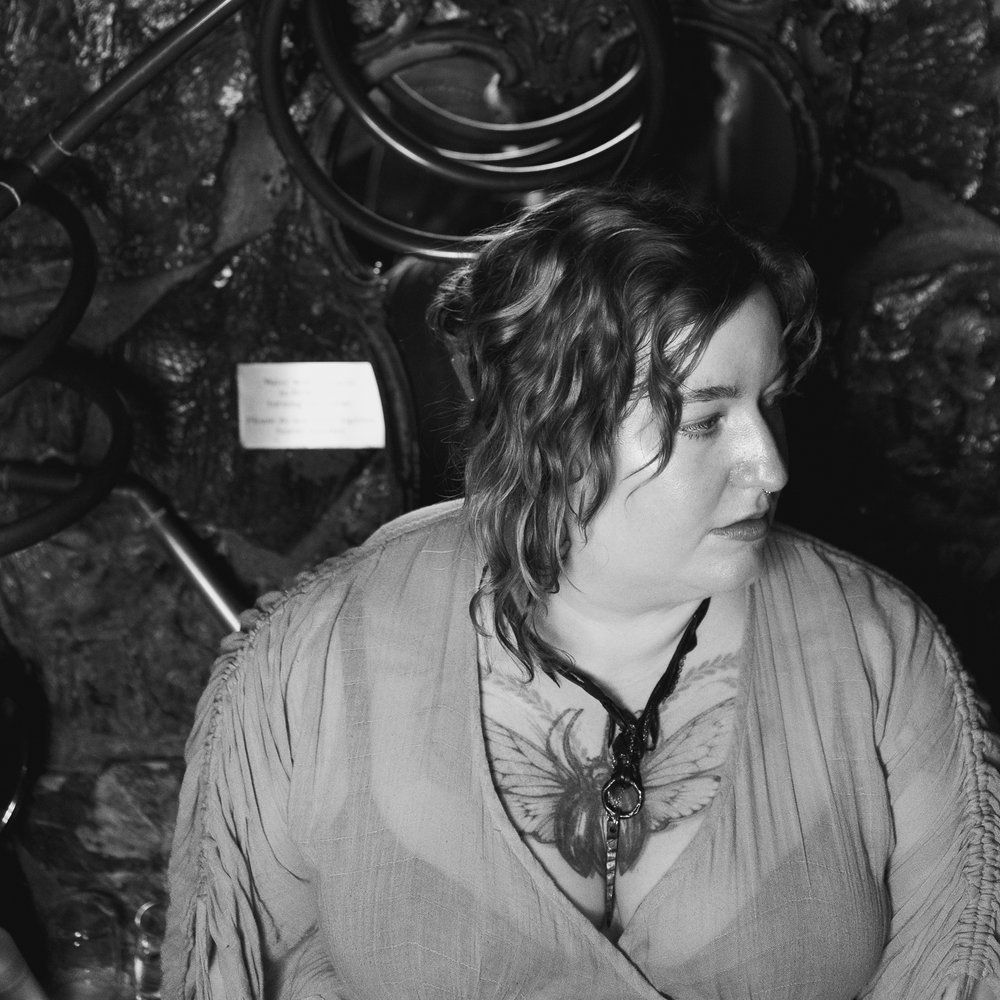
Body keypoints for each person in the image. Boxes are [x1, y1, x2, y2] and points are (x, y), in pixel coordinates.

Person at [163, 186, 1000, 1000]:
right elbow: (246, 971)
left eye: (770, 403)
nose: (771, 466)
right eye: (705, 420)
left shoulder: (879, 648)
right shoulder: (311, 665)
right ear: (552, 428)